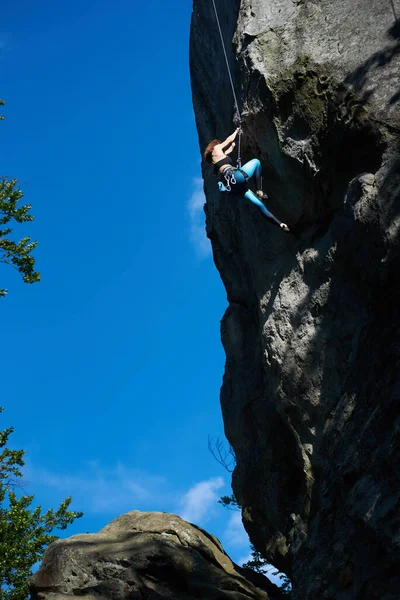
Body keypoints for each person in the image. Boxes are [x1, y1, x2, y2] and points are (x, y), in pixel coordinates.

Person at [204, 128, 290, 231]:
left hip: (234, 189)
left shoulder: (215, 164)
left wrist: (232, 147)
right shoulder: (216, 148)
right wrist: (236, 131)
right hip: (236, 177)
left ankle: (280, 224)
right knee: (256, 162)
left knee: (260, 205)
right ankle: (260, 191)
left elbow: (227, 152)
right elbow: (228, 140)